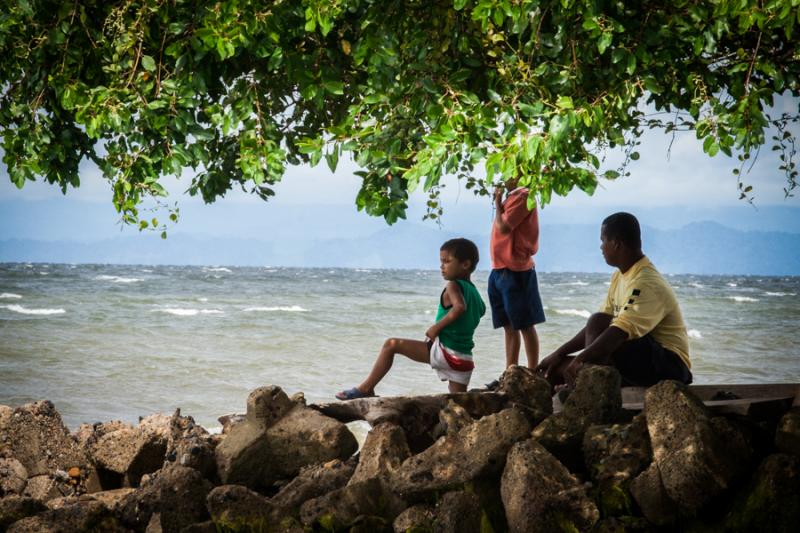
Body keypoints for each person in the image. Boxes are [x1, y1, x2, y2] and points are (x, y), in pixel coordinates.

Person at [536, 212, 692, 388]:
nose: (601, 247)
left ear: (616, 244)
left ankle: (588, 387)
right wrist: (559, 354)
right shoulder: (619, 277)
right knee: (554, 370)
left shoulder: (646, 282)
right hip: (638, 362)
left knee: (596, 324)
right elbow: (597, 328)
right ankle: (587, 383)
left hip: (671, 367)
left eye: (603, 241)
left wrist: (580, 361)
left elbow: (618, 330)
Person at [336, 238, 486, 399]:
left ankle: (365, 389)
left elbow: (459, 307)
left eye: (447, 261)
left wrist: (436, 328)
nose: (442, 266)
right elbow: (480, 312)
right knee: (458, 403)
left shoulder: (453, 285)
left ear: (465, 264)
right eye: (441, 261)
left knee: (391, 345)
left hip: (445, 353)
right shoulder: (476, 294)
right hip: (464, 360)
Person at [487, 177, 546, 379]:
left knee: (525, 325)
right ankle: (510, 372)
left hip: (516, 270)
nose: (505, 178)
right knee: (509, 326)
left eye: (510, 173)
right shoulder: (512, 198)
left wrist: (496, 202)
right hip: (499, 269)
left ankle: (533, 372)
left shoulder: (524, 196)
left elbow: (503, 227)